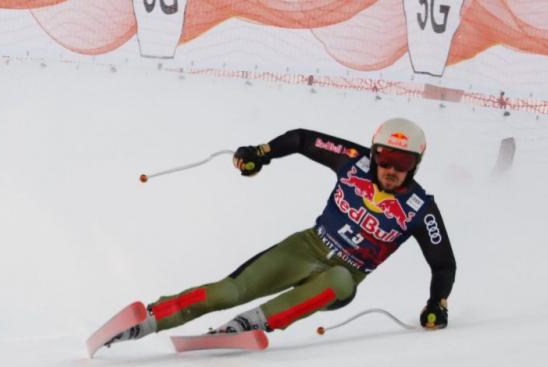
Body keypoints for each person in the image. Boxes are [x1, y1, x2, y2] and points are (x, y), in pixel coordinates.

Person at [107, 118, 456, 346]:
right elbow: (304, 139)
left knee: (339, 280)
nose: (392, 170)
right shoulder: (354, 161)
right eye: (385, 158)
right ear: (374, 152)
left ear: (417, 164)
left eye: (404, 163)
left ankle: (249, 325)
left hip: (345, 274)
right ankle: (150, 318)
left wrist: (436, 304)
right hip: (308, 246)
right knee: (230, 291)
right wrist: (261, 154)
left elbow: (443, 264)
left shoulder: (419, 208)